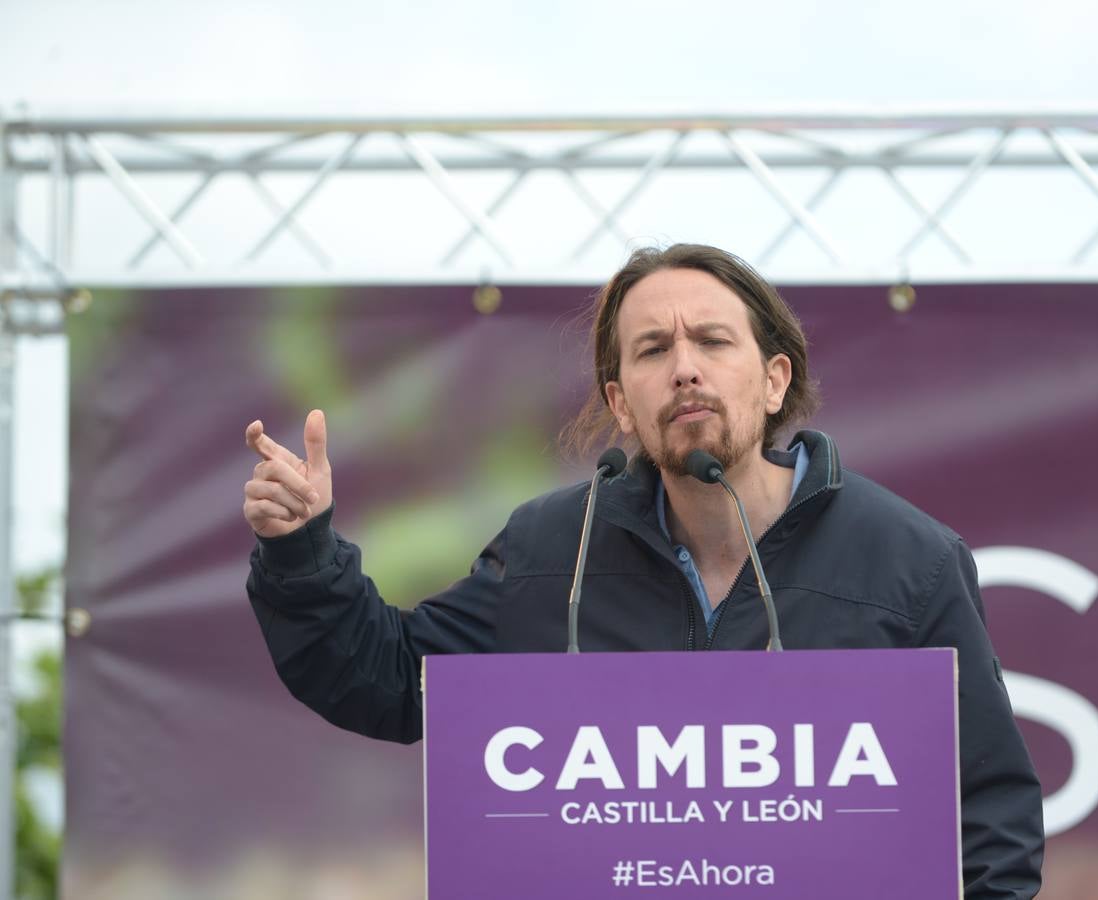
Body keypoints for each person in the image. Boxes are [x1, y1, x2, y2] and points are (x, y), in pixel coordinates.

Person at [243, 243, 1044, 898]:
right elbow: (386, 679)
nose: (685, 368)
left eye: (713, 341)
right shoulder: (552, 550)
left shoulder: (908, 558)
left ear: (774, 381)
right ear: (622, 403)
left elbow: (991, 822)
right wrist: (302, 548)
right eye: (654, 350)